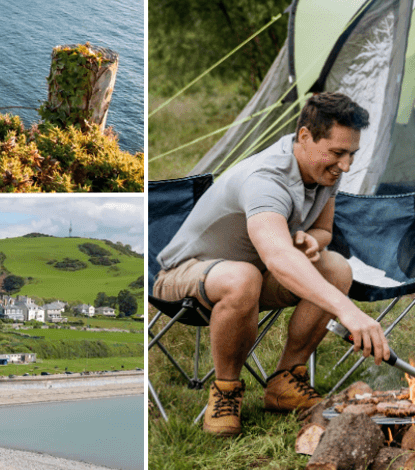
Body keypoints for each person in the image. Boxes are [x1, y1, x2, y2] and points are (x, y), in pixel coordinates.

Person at [153, 93, 389, 436]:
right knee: (243, 277)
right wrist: (347, 310)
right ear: (305, 136)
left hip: (253, 274)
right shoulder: (265, 179)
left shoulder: (324, 171)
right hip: (184, 274)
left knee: (336, 268)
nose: (346, 166)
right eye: (338, 153)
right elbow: (278, 258)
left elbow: (323, 230)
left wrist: (313, 239)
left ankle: (285, 380)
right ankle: (226, 391)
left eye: (352, 153)